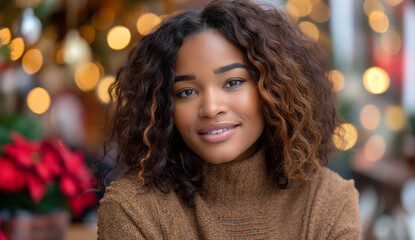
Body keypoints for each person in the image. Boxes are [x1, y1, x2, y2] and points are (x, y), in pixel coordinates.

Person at [97, 0, 361, 239]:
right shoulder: (133, 210)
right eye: (186, 92)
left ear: (274, 89)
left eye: (233, 82)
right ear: (164, 108)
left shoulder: (329, 201)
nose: (211, 108)